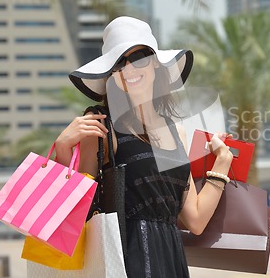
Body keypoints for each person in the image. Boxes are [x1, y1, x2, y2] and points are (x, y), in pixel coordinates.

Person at [54, 16, 233, 277]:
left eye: (139, 58)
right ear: (111, 75)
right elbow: (75, 214)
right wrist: (63, 150)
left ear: (156, 66)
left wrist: (222, 164)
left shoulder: (175, 130)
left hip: (171, 259)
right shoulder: (104, 126)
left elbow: (195, 219)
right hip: (126, 260)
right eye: (119, 63)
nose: (129, 69)